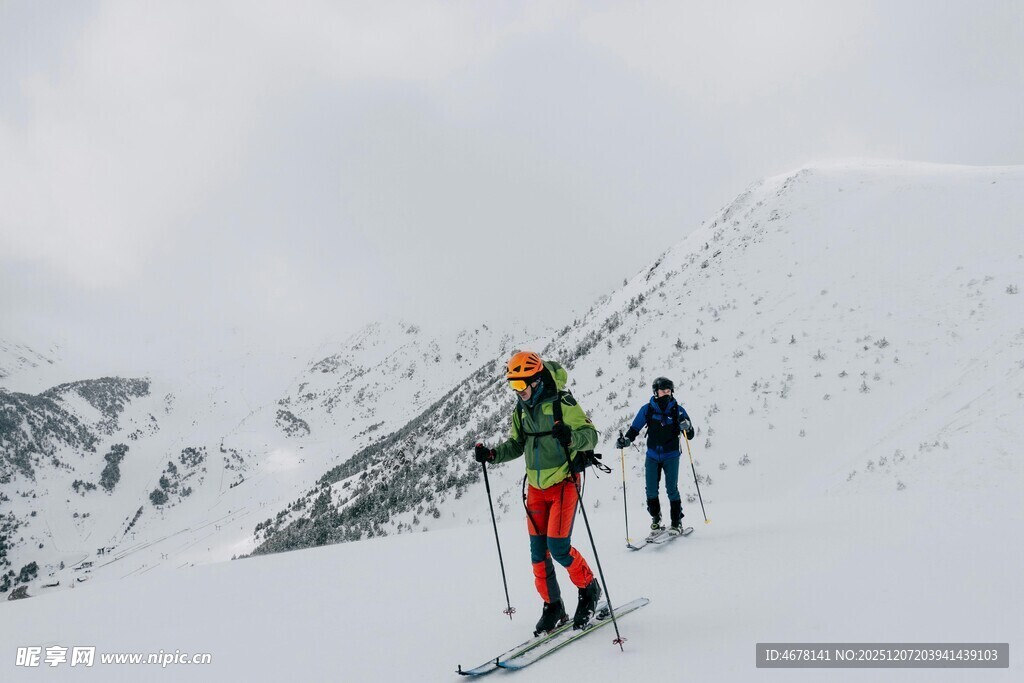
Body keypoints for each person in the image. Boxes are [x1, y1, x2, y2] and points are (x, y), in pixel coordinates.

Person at [474, 351, 602, 635]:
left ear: (535, 380)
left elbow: (590, 435)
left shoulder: (562, 402)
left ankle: (589, 588)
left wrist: (572, 437)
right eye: (513, 386)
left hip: (564, 483)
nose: (517, 392)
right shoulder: (521, 410)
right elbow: (517, 445)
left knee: (558, 547)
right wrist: (492, 454)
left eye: (521, 385)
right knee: (537, 553)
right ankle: (553, 605)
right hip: (535, 489)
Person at [615, 377, 695, 535]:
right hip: (652, 455)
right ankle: (656, 519)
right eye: (663, 390)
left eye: (669, 390)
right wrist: (626, 440)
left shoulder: (677, 410)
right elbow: (635, 428)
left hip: (671, 455)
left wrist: (688, 426)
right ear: (656, 392)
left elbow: (690, 435)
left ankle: (676, 522)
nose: (667, 393)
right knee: (651, 490)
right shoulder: (648, 409)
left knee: (671, 489)